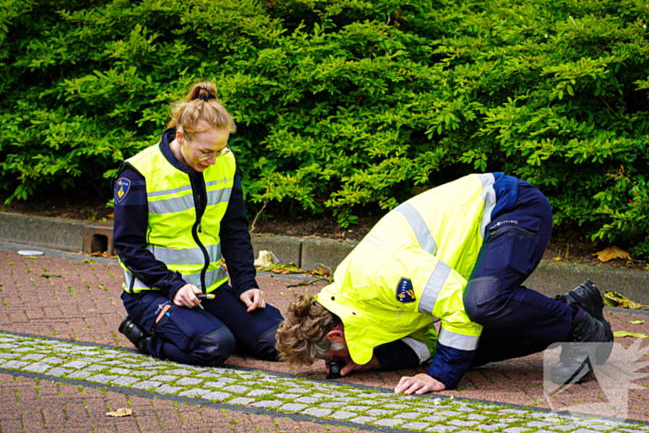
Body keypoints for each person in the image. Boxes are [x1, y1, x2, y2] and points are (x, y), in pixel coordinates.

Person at [276, 173, 613, 394]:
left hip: (511, 205)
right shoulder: (355, 308)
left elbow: (456, 308)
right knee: (464, 347)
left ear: (335, 335)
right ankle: (575, 305)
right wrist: (377, 361)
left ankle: (583, 329)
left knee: (481, 304)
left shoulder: (381, 277)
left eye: (330, 357)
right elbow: (429, 345)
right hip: (490, 228)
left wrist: (441, 376)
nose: (336, 361)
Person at [113, 82, 282, 366]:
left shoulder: (225, 162)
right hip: (154, 292)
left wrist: (245, 284)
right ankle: (144, 335)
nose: (214, 159)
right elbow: (127, 246)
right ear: (181, 136)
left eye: (220, 149)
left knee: (279, 341)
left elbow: (234, 230)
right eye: (206, 151)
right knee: (215, 346)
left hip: (211, 289)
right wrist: (173, 286)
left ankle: (208, 324)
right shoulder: (139, 172)